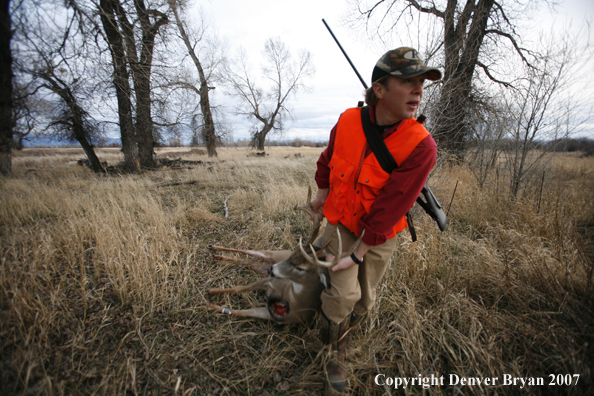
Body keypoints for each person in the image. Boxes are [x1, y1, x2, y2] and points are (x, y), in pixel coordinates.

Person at [309, 47, 442, 392]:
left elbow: (393, 204)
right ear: (380, 90)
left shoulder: (421, 146)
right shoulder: (348, 121)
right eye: (408, 82)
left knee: (364, 299)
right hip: (340, 224)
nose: (418, 91)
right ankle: (335, 352)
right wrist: (321, 193)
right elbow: (327, 160)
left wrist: (360, 251)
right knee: (342, 295)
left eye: (421, 83)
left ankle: (346, 336)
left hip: (380, 233)